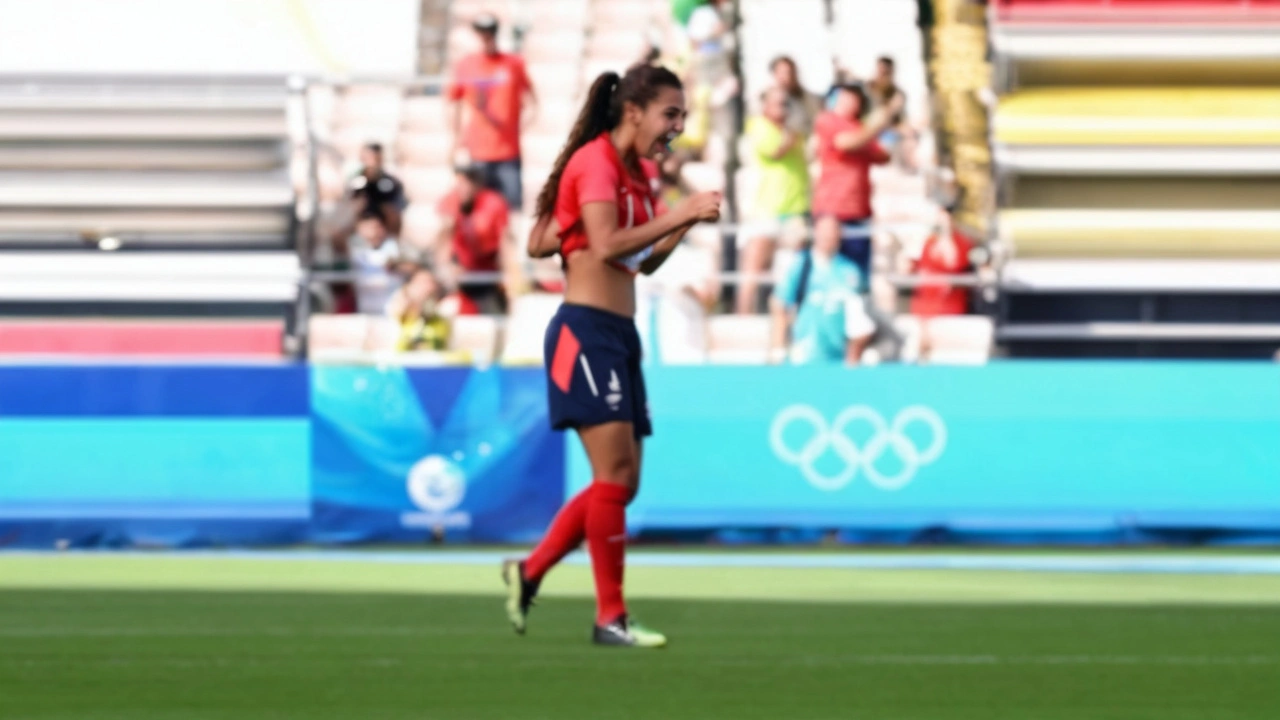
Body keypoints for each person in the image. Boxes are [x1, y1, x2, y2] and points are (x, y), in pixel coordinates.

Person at [501, 65, 721, 648]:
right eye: (670, 114)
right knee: (615, 478)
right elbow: (602, 244)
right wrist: (679, 212)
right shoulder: (596, 160)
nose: (677, 126)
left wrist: (683, 224)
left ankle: (529, 571)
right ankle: (609, 617)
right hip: (585, 331)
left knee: (621, 482)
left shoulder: (634, 175)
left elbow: (639, 260)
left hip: (619, 334)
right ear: (634, 111)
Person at [445, 12, 539, 211]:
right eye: (483, 33)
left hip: (508, 153)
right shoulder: (467, 64)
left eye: (490, 32)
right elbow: (454, 103)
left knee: (511, 210)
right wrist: (456, 139)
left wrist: (522, 126)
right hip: (478, 152)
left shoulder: (513, 64)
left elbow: (532, 101)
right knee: (478, 211)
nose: (487, 37)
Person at [812, 82, 897, 289]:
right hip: (832, 212)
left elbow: (883, 156)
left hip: (859, 212)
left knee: (857, 277)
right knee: (827, 272)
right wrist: (879, 121)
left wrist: (883, 125)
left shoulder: (861, 128)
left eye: (853, 97)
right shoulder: (827, 121)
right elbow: (846, 143)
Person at [738, 86, 811, 314]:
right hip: (766, 210)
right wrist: (794, 131)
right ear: (766, 106)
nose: (784, 108)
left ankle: (788, 323)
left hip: (795, 210)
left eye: (786, 103)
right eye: (778, 103)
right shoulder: (759, 127)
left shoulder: (792, 132)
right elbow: (776, 151)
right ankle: (744, 321)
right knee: (753, 270)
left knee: (792, 272)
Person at [769, 215, 875, 365]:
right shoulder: (801, 264)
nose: (828, 237)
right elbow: (780, 304)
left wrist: (852, 358)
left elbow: (858, 320)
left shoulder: (850, 271)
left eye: (832, 232)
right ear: (816, 233)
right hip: (802, 357)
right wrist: (778, 349)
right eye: (824, 232)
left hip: (837, 359)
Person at [435, 163, 511, 315]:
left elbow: (505, 240)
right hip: (460, 272)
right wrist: (445, 265)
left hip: (489, 270)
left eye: (469, 181)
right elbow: (443, 238)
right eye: (461, 181)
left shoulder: (494, 203)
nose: (464, 186)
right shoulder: (451, 201)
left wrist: (510, 271)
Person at [348, 212, 415, 314]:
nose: (374, 232)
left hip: (393, 311)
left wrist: (396, 265)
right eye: (369, 227)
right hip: (365, 313)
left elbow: (414, 268)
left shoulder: (396, 246)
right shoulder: (353, 249)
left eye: (377, 227)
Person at [348, 142, 406, 236]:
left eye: (373, 159)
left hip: (384, 225)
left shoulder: (390, 182)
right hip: (363, 223)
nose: (370, 163)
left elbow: (396, 208)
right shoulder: (356, 181)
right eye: (366, 158)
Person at [387, 267, 452, 352]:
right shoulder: (399, 312)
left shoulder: (444, 314)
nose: (427, 287)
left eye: (430, 283)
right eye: (422, 283)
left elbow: (437, 345)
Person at [768, 55, 823, 137]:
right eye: (782, 72)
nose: (787, 77)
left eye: (790, 72)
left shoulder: (810, 99)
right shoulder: (766, 99)